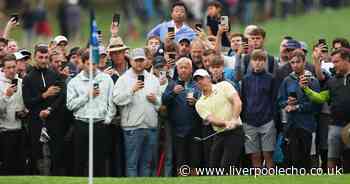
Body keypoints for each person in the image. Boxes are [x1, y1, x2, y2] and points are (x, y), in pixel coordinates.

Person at [66, 50, 116, 176]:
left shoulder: (106, 79)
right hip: (81, 124)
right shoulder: (74, 82)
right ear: (82, 63)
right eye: (88, 64)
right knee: (80, 161)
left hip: (100, 124)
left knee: (99, 161)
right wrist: (87, 96)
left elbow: (112, 103)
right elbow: (70, 105)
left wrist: (108, 119)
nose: (92, 67)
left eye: (94, 64)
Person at [300, 48, 350, 173]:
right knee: (332, 159)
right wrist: (306, 89)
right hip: (335, 125)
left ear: (347, 60)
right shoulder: (332, 81)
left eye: (337, 61)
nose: (334, 65)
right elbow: (321, 98)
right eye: (333, 62)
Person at [113, 48, 161, 177]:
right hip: (132, 128)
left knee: (147, 164)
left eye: (142, 60)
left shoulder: (153, 79)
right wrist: (131, 90)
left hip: (150, 126)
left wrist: (155, 99)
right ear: (131, 61)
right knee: (132, 164)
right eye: (137, 60)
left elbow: (160, 102)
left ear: (145, 61)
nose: (139, 63)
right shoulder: (123, 79)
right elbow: (116, 99)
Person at [22, 44, 65, 175]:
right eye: (40, 57)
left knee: (56, 155)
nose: (44, 60)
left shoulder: (54, 75)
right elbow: (28, 102)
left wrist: (50, 109)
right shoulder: (28, 78)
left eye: (46, 57)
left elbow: (61, 96)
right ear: (35, 57)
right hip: (36, 122)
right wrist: (44, 95)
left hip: (53, 121)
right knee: (37, 155)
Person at [277, 49, 320, 170]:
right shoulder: (287, 80)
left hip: (306, 125)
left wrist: (297, 107)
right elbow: (280, 100)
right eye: (292, 62)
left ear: (304, 62)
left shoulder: (312, 80)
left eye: (298, 62)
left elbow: (316, 105)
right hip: (291, 125)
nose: (295, 65)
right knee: (292, 158)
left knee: (305, 159)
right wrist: (287, 103)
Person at [195, 69, 245, 170]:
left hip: (235, 132)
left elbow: (237, 102)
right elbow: (212, 119)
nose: (199, 81)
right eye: (196, 80)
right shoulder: (199, 103)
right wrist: (226, 122)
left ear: (208, 78)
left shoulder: (224, 85)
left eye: (201, 78)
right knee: (213, 167)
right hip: (219, 134)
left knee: (226, 167)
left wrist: (234, 119)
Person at [162, 57, 202, 176]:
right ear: (177, 70)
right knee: (181, 162)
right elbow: (164, 101)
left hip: (195, 129)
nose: (183, 70)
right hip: (178, 131)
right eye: (181, 68)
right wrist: (174, 93)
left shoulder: (197, 85)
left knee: (195, 162)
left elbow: (205, 103)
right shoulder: (172, 85)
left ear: (191, 70)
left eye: (186, 67)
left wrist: (196, 103)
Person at [240, 49, 276, 169]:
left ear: (265, 62)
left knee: (268, 154)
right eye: (255, 60)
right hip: (249, 122)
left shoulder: (271, 79)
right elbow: (243, 100)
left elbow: (274, 100)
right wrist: (244, 119)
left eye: (261, 60)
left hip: (267, 121)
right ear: (251, 62)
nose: (258, 63)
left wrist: (273, 119)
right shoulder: (246, 79)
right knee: (254, 156)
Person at [0, 54, 28, 175]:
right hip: (4, 132)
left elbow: (26, 105)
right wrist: (7, 95)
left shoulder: (21, 82)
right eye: (8, 67)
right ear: (3, 68)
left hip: (20, 130)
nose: (12, 70)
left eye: (13, 67)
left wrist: (24, 111)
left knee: (20, 169)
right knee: (6, 170)